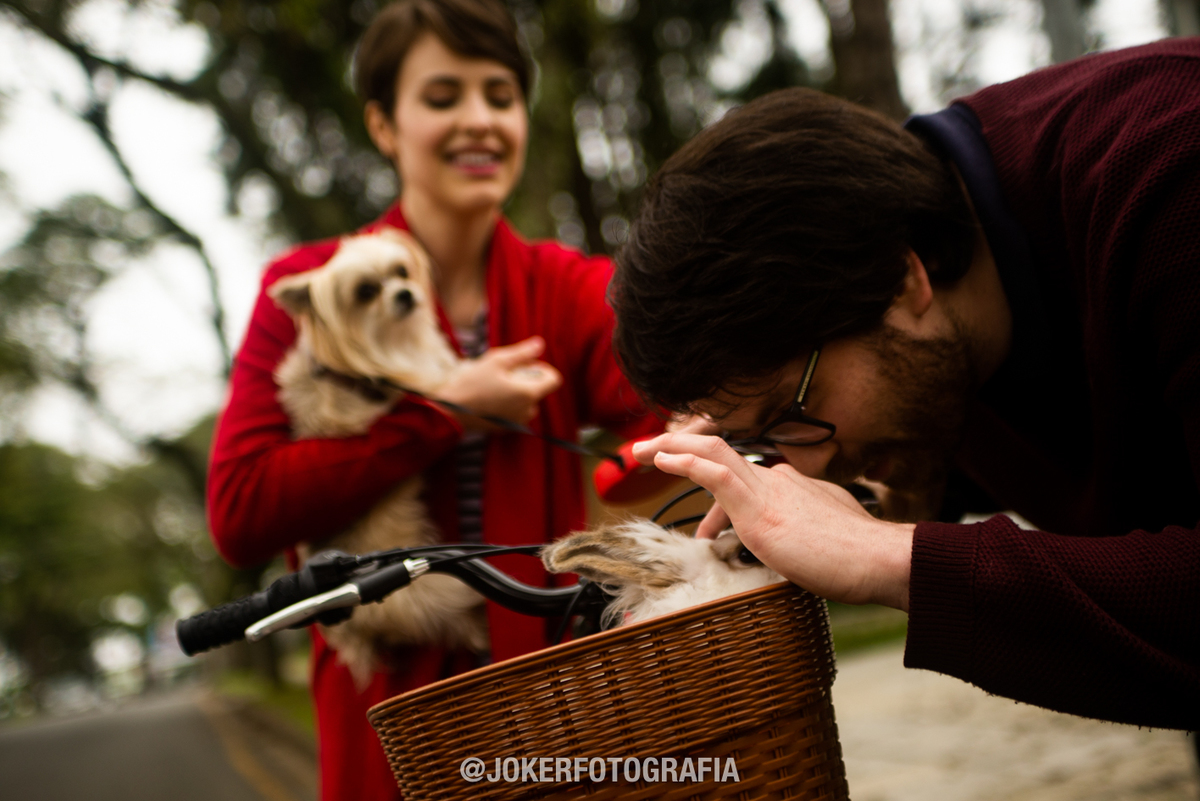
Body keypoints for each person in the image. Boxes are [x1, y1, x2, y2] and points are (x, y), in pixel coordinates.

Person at [611, 37, 1200, 730]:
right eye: (763, 440)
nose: (806, 464)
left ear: (903, 276)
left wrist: (889, 557)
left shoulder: (1170, 166)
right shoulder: (947, 340)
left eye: (794, 409)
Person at [205, 1, 658, 798]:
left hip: (546, 709)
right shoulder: (305, 291)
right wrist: (446, 415)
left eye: (501, 94)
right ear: (383, 125)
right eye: (443, 97)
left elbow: (671, 391)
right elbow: (240, 510)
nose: (480, 121)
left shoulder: (562, 288)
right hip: (384, 718)